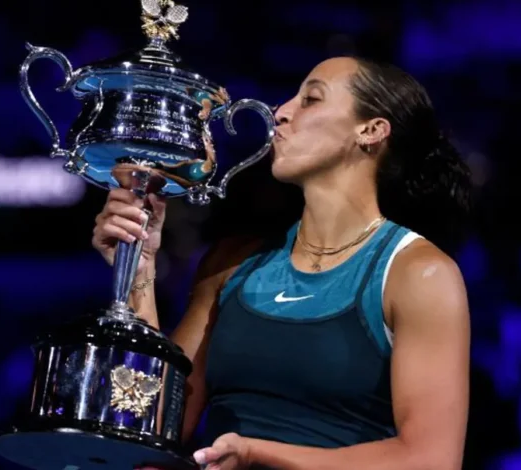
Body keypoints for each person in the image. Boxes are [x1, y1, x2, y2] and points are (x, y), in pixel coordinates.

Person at [91, 56, 473, 470]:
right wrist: (140, 270)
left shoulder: (418, 273)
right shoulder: (231, 264)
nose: (281, 111)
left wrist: (257, 452)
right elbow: (152, 425)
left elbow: (431, 460)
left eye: (311, 99)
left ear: (370, 130)